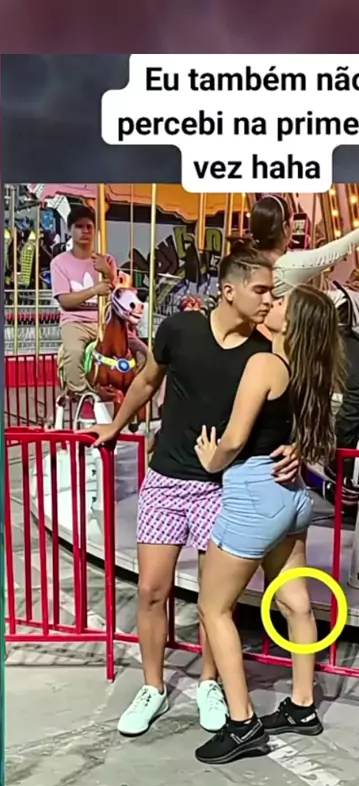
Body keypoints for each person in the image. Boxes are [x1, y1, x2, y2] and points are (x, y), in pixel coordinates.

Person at [91, 242, 299, 738]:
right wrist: (116, 426)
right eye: (260, 290)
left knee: (214, 597)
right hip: (166, 477)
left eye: (272, 292)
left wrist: (296, 448)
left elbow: (280, 415)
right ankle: (153, 687)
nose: (268, 300)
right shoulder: (180, 330)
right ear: (228, 291)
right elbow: (147, 381)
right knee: (151, 589)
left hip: (222, 485)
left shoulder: (262, 354)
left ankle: (209, 682)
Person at [193, 281, 346, 765]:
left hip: (255, 494)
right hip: (293, 496)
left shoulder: (265, 364)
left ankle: (242, 724)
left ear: (292, 323)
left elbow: (235, 438)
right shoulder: (307, 371)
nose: (269, 304)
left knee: (213, 607)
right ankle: (302, 706)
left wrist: (211, 459)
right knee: (295, 601)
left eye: (280, 303)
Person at [248, 195, 359, 293]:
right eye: (291, 221)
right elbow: (339, 249)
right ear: (285, 227)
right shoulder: (287, 266)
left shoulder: (254, 265)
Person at [51, 205, 117, 395]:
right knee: (74, 352)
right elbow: (65, 301)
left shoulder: (107, 260)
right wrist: (94, 290)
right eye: (79, 226)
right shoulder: (59, 263)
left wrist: (107, 271)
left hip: (105, 320)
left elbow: (114, 291)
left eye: (89, 226)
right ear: (70, 230)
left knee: (142, 352)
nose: (85, 231)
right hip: (75, 322)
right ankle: (82, 392)